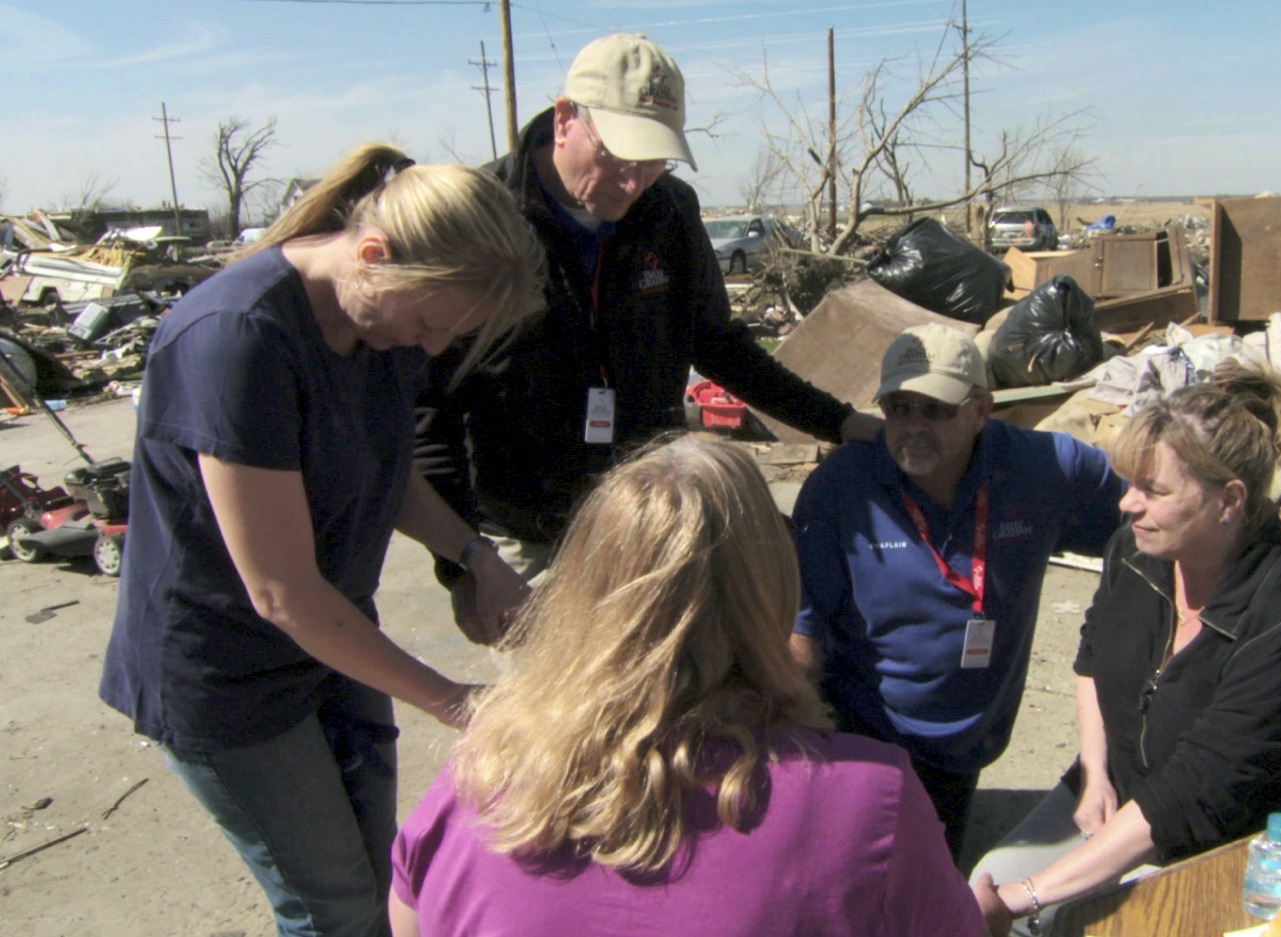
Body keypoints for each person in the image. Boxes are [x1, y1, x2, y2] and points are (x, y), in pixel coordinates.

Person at [98, 144, 547, 937]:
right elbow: (281, 591)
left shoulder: (380, 326)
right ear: (374, 255)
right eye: (430, 323)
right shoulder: (238, 339)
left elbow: (388, 469)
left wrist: (473, 557)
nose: (433, 347)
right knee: (330, 905)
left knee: (379, 879)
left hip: (333, 643)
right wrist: (458, 703)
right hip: (228, 673)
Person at [390, 434, 984, 937]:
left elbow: (407, 916)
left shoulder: (475, 781)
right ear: (772, 586)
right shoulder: (871, 798)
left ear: (579, 590)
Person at [415, 33, 879, 610]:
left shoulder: (670, 211)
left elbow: (718, 345)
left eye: (653, 160)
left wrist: (838, 422)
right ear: (565, 120)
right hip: (527, 533)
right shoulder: (481, 217)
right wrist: (462, 565)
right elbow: (429, 407)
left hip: (648, 518)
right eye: (616, 154)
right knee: (556, 699)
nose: (633, 182)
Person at [969, 363, 1281, 935]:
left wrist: (1020, 899)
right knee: (989, 871)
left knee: (1047, 919)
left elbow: (1194, 794)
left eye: (1152, 491)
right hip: (1120, 791)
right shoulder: (1135, 550)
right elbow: (1092, 657)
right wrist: (1095, 773)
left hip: (1232, 845)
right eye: (1130, 484)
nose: (1127, 505)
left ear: (1229, 500)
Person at [792, 324, 1124, 858]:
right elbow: (802, 632)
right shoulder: (842, 488)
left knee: (935, 876)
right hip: (867, 733)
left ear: (981, 411)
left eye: (936, 410)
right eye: (898, 408)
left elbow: (1149, 519)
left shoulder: (1047, 468)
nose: (913, 428)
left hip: (969, 740)